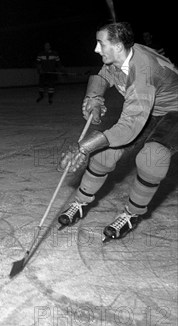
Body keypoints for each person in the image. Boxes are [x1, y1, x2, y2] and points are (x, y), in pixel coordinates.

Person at [58, 21, 178, 241]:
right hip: (149, 107)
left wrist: (84, 148)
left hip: (174, 112)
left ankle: (132, 214)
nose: (96, 49)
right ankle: (81, 202)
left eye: (100, 44)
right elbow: (104, 76)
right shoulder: (120, 57)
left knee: (152, 159)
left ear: (118, 45)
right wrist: (94, 96)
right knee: (105, 155)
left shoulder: (143, 72)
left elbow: (129, 128)